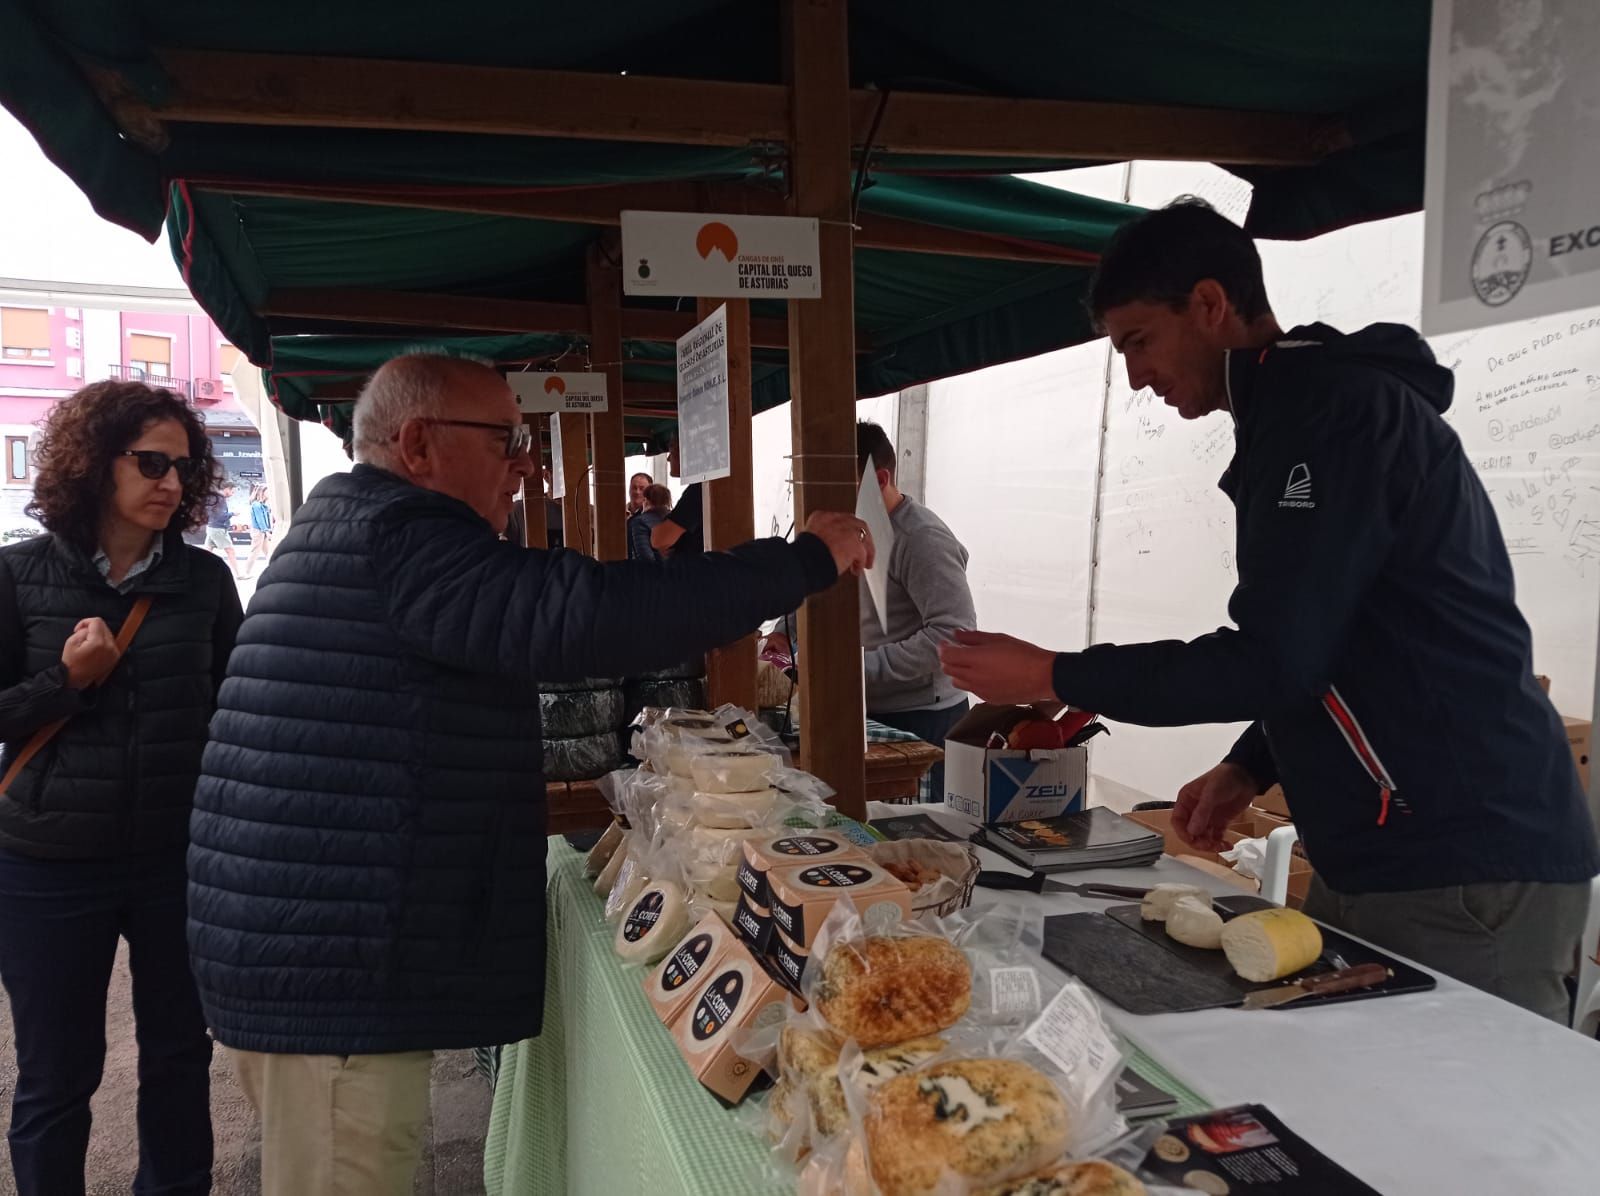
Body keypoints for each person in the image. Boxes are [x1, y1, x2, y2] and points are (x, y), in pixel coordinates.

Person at [186, 352, 872, 1194]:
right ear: (419, 444)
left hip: (322, 944)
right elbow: (590, 614)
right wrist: (800, 562)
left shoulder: (365, 526)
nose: (525, 466)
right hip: (333, 969)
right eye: (506, 441)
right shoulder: (401, 535)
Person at [940, 197, 1599, 1022]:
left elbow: (1274, 655)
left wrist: (1054, 671)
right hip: (1395, 851)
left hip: (1461, 856)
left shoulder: (1332, 411)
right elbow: (1332, 638)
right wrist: (1250, 765)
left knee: (1459, 1130)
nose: (1137, 377)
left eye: (1138, 341)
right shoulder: (1300, 413)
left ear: (1211, 306)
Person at [0, 380, 242, 1195]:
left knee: (180, 1054)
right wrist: (66, 682)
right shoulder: (16, 576)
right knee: (56, 1073)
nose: (171, 482)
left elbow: (232, 710)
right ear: (94, 464)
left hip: (176, 860)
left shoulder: (205, 582)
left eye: (183, 465)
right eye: (151, 463)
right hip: (45, 864)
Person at [855, 421, 976, 800]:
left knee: (912, 843)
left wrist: (859, 669)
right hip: (867, 710)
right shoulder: (853, 530)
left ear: (880, 478)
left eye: (839, 488)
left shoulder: (920, 539)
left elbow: (953, 634)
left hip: (922, 720)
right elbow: (820, 591)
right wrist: (783, 628)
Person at [651, 434, 703, 558]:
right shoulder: (701, 488)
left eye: (672, 449)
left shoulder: (698, 491)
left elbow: (659, 539)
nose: (668, 458)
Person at [203, 481, 241, 579]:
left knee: (207, 552)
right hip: (218, 529)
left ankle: (200, 573)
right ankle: (238, 574)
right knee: (230, 551)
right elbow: (221, 516)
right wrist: (232, 514)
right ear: (227, 489)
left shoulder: (215, 497)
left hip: (211, 527)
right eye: (232, 492)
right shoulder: (220, 499)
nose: (232, 494)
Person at [628, 483, 674, 562]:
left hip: (654, 571)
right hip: (677, 570)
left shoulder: (640, 521)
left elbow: (645, 556)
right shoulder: (675, 518)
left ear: (646, 501)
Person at [242, 482, 273, 576]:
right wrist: (266, 531)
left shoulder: (262, 505)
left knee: (268, 552)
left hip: (262, 531)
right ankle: (246, 572)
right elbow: (260, 520)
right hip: (259, 531)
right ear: (261, 493)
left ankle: (273, 570)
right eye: (267, 492)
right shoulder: (257, 505)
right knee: (255, 552)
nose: (269, 493)